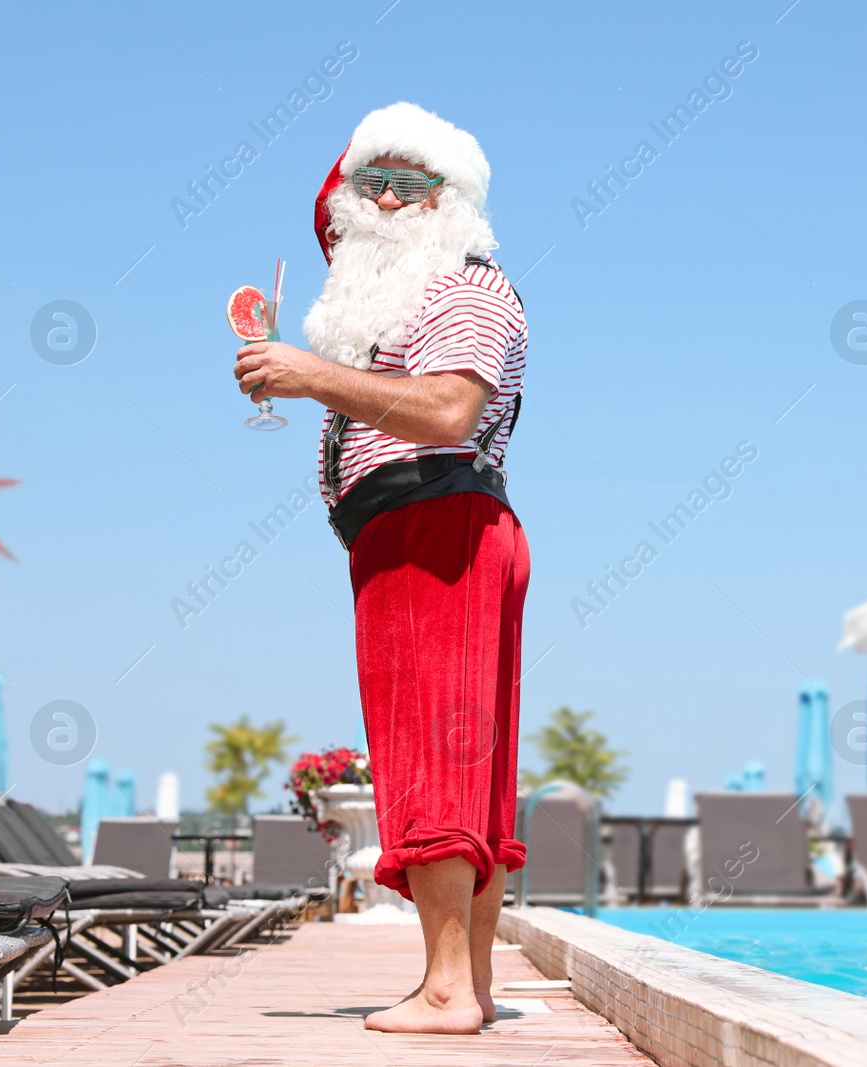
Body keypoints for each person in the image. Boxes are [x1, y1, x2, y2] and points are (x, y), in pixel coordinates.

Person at [234, 102, 529, 1034]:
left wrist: (307, 375)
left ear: (454, 201)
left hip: (433, 523)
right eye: (373, 185)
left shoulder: (463, 291)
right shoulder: (413, 299)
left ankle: (445, 988)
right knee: (466, 764)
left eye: (413, 184)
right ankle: (467, 982)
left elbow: (445, 412)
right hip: (431, 527)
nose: (390, 201)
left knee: (435, 755)